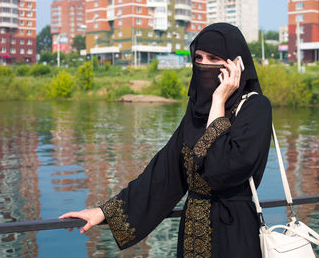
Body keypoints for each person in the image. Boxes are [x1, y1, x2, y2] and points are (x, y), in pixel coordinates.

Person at [60, 23, 272, 258]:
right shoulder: (196, 112)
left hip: (234, 234)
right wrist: (104, 212)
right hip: (192, 234)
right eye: (199, 57)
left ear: (236, 64)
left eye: (214, 58)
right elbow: (164, 172)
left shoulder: (255, 108)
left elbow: (222, 168)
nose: (203, 65)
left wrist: (219, 101)